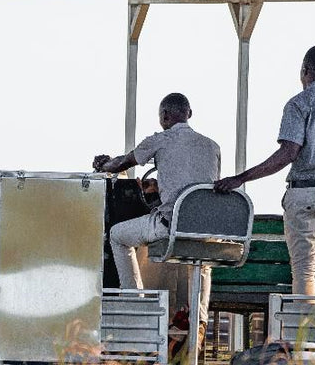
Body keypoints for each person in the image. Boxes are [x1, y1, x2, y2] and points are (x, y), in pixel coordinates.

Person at [214, 45, 315, 297]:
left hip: (304, 193)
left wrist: (241, 178)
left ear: (305, 69)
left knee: (304, 271)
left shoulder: (299, 104)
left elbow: (288, 154)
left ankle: (304, 333)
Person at [92, 92, 221, 328]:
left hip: (170, 225)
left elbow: (120, 164)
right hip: (204, 227)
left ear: (164, 116)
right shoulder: (212, 146)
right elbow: (198, 185)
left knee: (118, 236)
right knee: (204, 259)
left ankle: (137, 307)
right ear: (189, 114)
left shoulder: (159, 140)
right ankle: (200, 321)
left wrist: (103, 164)